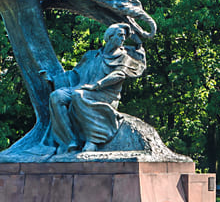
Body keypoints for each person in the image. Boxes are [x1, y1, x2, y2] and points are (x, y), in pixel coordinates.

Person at [42, 23, 147, 154]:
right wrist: (54, 79)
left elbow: (119, 74)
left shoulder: (123, 57)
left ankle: (93, 140)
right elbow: (75, 74)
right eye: (120, 35)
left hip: (105, 94)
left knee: (78, 96)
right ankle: (70, 141)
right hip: (82, 88)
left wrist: (97, 85)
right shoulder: (91, 55)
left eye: (124, 36)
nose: (123, 39)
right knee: (56, 96)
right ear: (109, 37)